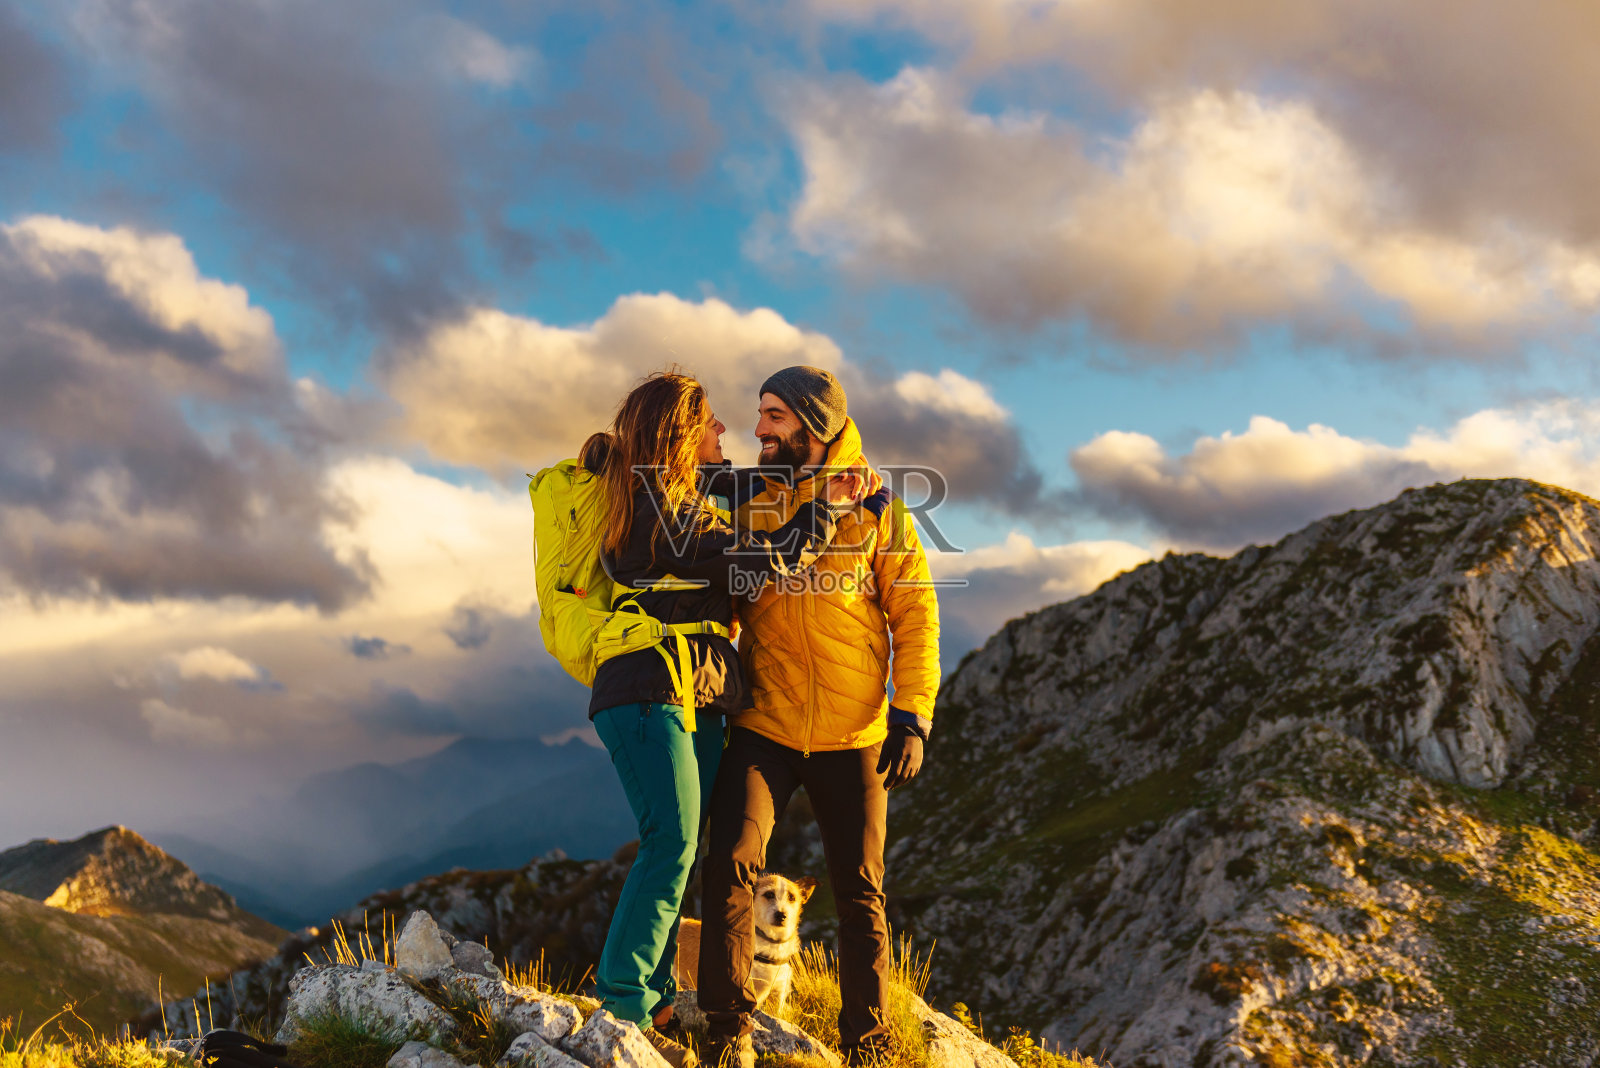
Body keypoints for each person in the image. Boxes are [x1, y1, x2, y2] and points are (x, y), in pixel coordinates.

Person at [584, 371, 864, 1068]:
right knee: (670, 844)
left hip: (692, 694)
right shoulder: (659, 513)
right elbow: (765, 561)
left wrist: (809, 476)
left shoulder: (676, 498)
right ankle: (622, 1001)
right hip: (650, 693)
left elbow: (751, 486)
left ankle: (654, 997)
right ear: (680, 436)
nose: (725, 433)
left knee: (684, 847)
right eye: (710, 424)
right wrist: (825, 509)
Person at [699, 366, 940, 1068]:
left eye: (772, 415)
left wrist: (912, 718)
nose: (758, 429)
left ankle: (867, 1044)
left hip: (854, 733)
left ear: (814, 423)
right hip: (764, 724)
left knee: (860, 891)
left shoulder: (878, 509)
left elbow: (916, 616)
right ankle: (726, 1030)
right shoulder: (749, 500)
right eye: (759, 414)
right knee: (730, 866)